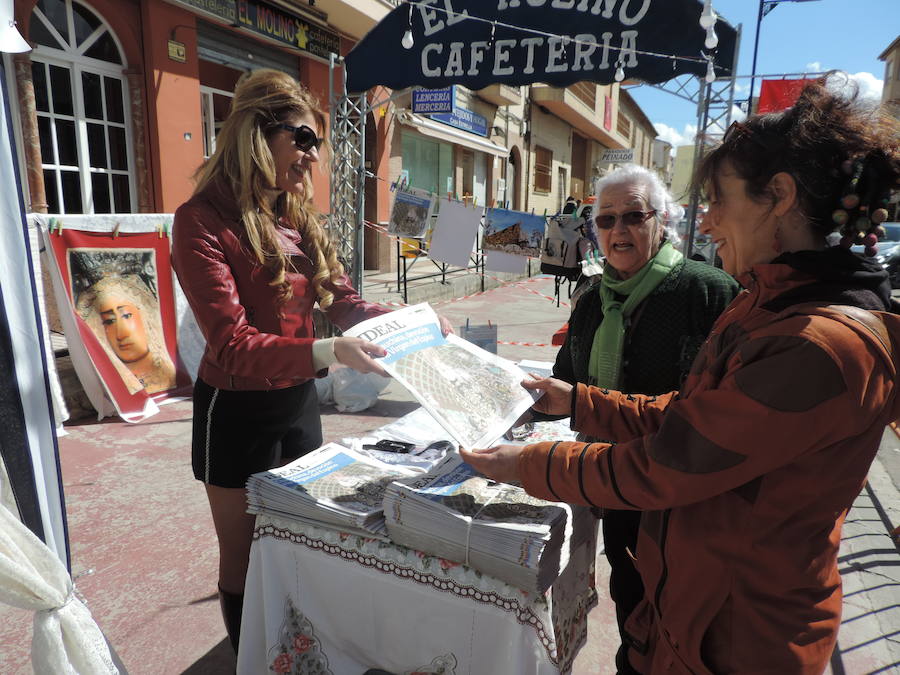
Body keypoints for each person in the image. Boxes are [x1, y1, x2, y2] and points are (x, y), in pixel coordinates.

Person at [462, 76, 900, 674]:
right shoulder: (768, 303)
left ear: (777, 195)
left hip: (737, 636)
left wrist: (529, 466)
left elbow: (673, 458)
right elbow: (695, 416)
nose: (709, 221)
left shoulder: (816, 344)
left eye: (718, 200)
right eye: (604, 219)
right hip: (689, 606)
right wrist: (579, 401)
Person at [172, 68, 450, 652]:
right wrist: (328, 351)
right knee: (244, 558)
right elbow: (230, 344)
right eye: (302, 138)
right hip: (237, 412)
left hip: (297, 403)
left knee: (300, 537)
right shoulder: (201, 220)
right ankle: (251, 659)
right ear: (256, 132)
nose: (312, 156)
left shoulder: (296, 215)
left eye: (317, 143)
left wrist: (415, 323)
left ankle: (296, 651)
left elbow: (342, 301)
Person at [527, 164, 740, 674]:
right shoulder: (591, 301)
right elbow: (565, 381)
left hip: (685, 499)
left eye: (632, 216)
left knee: (688, 625)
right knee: (630, 596)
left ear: (661, 221)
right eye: (605, 220)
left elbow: (721, 412)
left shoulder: (708, 293)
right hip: (612, 482)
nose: (618, 231)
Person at [75, 272, 177, 395]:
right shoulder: (115, 386)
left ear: (145, 316)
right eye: (109, 321)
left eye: (127, 315)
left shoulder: (180, 368)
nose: (122, 334)